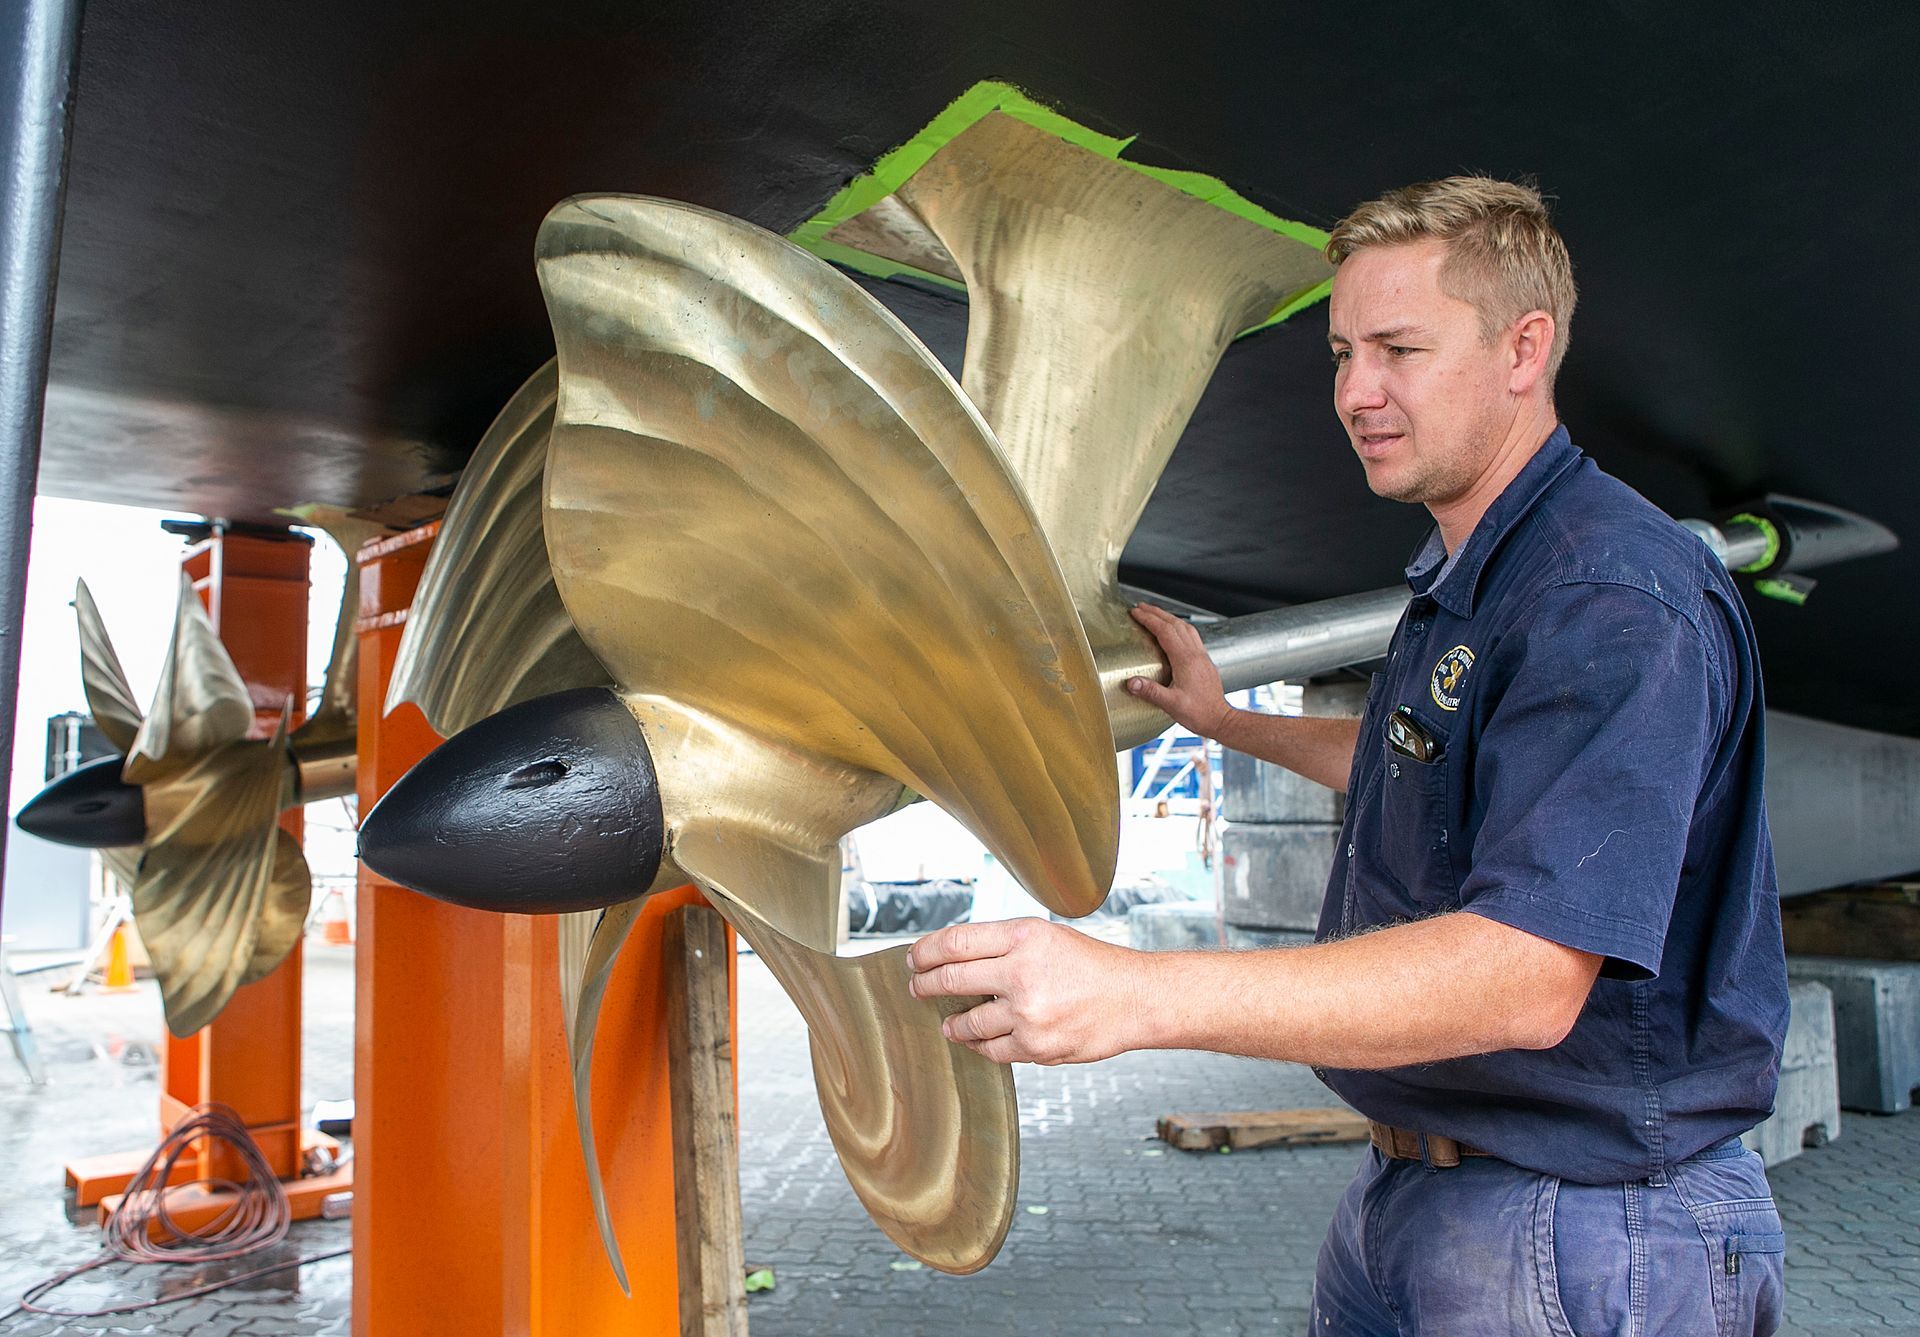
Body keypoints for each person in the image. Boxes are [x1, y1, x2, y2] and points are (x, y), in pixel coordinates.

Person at [908, 177, 1789, 1335]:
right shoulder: (1477, 572)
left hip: (1586, 1228)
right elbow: (1416, 763)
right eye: (1340, 352)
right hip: (1422, 1195)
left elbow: (1526, 974)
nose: (1355, 392)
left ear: (1525, 348)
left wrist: (1136, 991)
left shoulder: (1608, 598)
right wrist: (1224, 721)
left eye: (1398, 349)